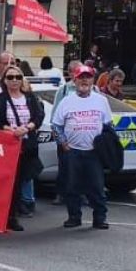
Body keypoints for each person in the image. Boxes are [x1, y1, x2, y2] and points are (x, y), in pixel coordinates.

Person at [53, 67, 114, 230]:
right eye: (81, 78)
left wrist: (105, 143)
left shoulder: (101, 101)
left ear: (93, 80)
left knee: (97, 186)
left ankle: (100, 217)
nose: (84, 81)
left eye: (88, 78)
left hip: (94, 152)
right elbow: (57, 125)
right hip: (72, 150)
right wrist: (63, 143)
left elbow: (108, 124)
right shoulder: (66, 101)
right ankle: (74, 216)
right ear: (75, 80)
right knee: (72, 185)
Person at [0, 67, 45, 231]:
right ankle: (2, 216)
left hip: (27, 146)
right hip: (7, 148)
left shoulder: (30, 98)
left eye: (17, 77)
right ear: (4, 80)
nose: (14, 80)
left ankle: (13, 216)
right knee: (6, 184)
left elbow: (39, 116)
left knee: (20, 182)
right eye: (10, 77)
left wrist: (27, 128)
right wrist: (11, 130)